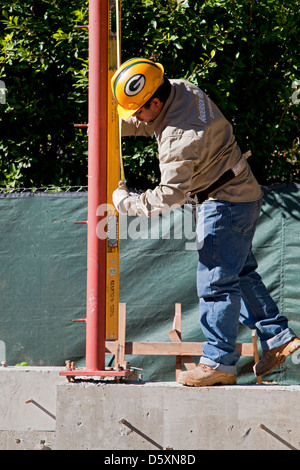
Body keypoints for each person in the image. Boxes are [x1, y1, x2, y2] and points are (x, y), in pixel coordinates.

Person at [111, 57, 300, 386]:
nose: (136, 117)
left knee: (215, 283)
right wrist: (112, 123)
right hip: (240, 194)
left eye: (138, 110)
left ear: (155, 101)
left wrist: (126, 203)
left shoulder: (179, 140)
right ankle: (278, 337)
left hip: (224, 203)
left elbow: (168, 195)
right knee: (238, 273)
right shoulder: (182, 89)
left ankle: (219, 363)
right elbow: (149, 122)